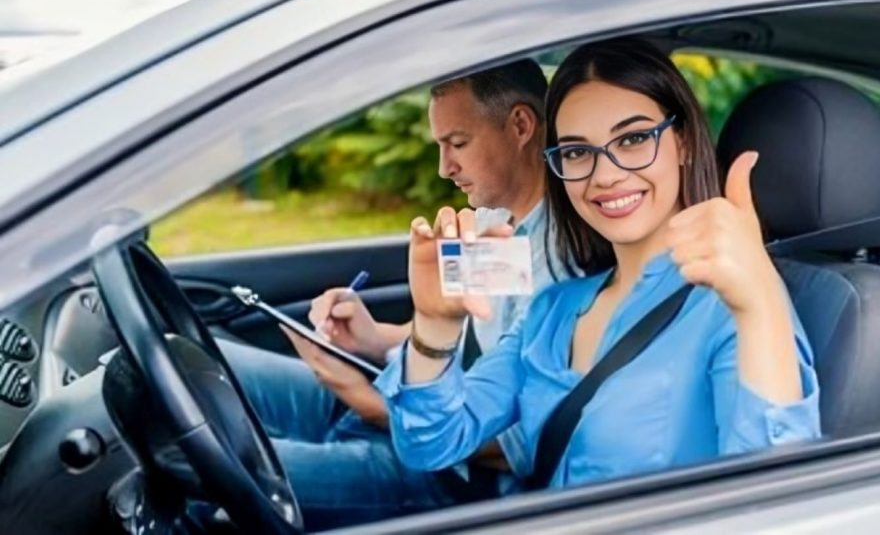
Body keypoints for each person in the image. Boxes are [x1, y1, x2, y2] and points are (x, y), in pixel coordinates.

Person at [378, 38, 821, 489]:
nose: (604, 175)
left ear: (683, 141)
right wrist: (434, 326)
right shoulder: (551, 311)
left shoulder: (736, 305)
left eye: (632, 139)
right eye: (576, 152)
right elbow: (431, 443)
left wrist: (760, 301)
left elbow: (773, 503)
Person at [216, 58, 571, 529]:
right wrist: (373, 337)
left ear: (521, 125)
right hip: (398, 403)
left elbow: (516, 447)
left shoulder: (561, 263)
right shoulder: (494, 223)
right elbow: (462, 337)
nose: (445, 168)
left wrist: (365, 401)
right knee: (210, 365)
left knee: (214, 479)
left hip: (446, 477)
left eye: (458, 143)